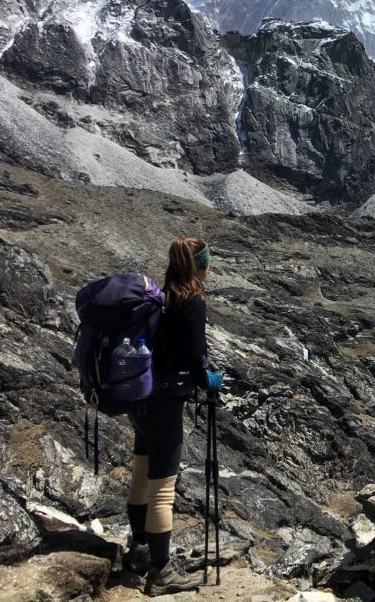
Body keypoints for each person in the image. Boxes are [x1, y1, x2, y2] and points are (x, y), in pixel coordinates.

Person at [122, 237, 225, 596]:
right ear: (200, 264)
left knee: (140, 474)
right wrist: (210, 381)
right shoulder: (192, 301)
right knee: (163, 490)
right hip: (165, 402)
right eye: (207, 261)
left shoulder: (162, 297)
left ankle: (139, 549)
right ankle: (161, 572)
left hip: (140, 397)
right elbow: (196, 358)